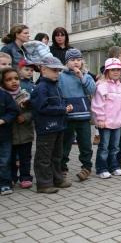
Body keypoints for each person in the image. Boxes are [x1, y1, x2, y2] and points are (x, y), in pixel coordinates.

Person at [30, 56, 73, 194]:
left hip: (58, 126)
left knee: (56, 155)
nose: (57, 73)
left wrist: (65, 107)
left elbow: (58, 103)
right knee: (44, 157)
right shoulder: (41, 88)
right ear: (43, 69)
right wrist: (62, 110)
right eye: (54, 70)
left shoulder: (55, 86)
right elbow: (41, 108)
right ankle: (43, 184)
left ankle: (57, 179)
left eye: (58, 70)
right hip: (46, 128)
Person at [58, 48, 96, 181]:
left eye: (78, 60)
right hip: (68, 116)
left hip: (84, 116)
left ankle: (86, 167)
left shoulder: (86, 75)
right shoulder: (61, 76)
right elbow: (58, 93)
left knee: (85, 144)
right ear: (66, 62)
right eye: (72, 60)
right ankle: (62, 168)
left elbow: (92, 90)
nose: (76, 62)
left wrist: (81, 77)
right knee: (65, 144)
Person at [91, 58, 121, 179]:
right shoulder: (102, 86)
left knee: (115, 147)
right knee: (104, 147)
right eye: (113, 70)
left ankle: (114, 167)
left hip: (118, 122)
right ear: (107, 71)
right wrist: (100, 119)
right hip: (105, 123)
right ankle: (101, 168)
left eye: (118, 69)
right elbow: (97, 104)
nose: (116, 72)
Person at [0, 68, 34, 189]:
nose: (14, 82)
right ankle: (12, 177)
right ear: (2, 82)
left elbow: (32, 112)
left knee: (25, 158)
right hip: (10, 135)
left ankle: (25, 177)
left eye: (16, 78)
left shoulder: (25, 95)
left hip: (25, 133)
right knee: (11, 159)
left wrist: (25, 117)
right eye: (9, 80)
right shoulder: (3, 96)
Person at [105, 46, 121, 169]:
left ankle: (119, 158)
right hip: (110, 114)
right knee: (110, 140)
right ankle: (109, 162)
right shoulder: (105, 77)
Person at [0, 76, 19, 195]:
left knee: (4, 161)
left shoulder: (4, 95)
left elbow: (13, 111)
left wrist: (4, 120)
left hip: (4, 136)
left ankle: (5, 184)